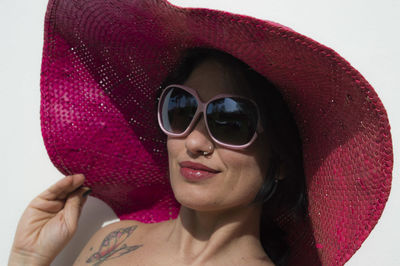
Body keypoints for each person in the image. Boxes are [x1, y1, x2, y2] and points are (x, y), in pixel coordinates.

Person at [8, 0, 393, 265]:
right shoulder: (111, 241)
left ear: (279, 161)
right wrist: (26, 259)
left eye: (230, 121)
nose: (194, 141)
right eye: (180, 109)